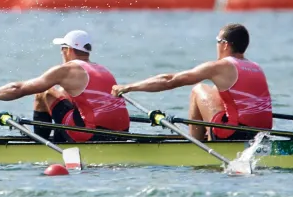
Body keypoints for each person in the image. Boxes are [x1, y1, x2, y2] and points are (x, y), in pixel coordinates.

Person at [112, 23, 272, 141]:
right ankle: (209, 136)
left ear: (225, 44)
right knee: (216, 91)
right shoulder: (256, 67)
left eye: (217, 41)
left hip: (235, 133)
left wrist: (128, 87)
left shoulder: (221, 66)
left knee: (199, 89)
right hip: (262, 134)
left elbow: (170, 81)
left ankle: (196, 144)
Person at [0, 29, 130, 143]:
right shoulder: (102, 69)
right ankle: (61, 137)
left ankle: (41, 144)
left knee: (43, 93)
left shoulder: (67, 70)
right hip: (123, 133)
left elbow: (18, 89)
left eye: (62, 49)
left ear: (67, 50)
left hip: (93, 135)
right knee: (65, 98)